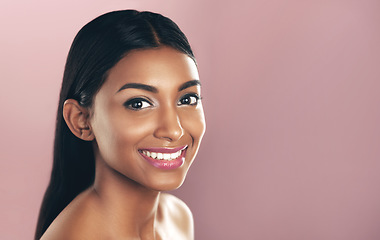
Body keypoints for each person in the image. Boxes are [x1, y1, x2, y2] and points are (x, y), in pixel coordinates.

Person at [35, 10, 206, 240]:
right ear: (81, 120)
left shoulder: (177, 218)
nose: (173, 129)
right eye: (138, 103)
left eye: (187, 99)